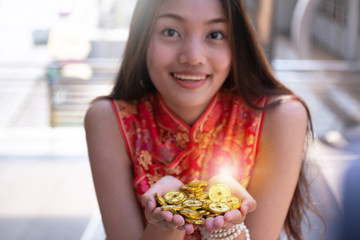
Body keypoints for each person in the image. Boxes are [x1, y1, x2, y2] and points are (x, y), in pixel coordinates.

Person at [84, 0, 318, 239]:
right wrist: (167, 223)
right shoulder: (109, 120)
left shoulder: (280, 118)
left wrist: (227, 227)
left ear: (237, 43)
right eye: (171, 32)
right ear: (142, 38)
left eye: (215, 34)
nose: (193, 57)